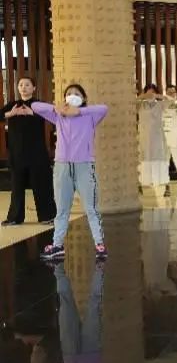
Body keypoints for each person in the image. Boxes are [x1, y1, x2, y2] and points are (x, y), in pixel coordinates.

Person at [33, 84, 108, 260]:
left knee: (91, 208)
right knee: (62, 210)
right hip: (62, 167)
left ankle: (99, 244)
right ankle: (57, 245)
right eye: (68, 94)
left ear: (83, 98)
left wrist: (79, 111)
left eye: (76, 93)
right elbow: (35, 106)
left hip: (84, 167)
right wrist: (57, 108)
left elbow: (104, 108)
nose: (72, 96)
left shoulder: (90, 116)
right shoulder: (58, 116)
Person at [0, 77, 55, 226]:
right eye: (21, 85)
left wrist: (33, 113)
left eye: (27, 85)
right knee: (17, 187)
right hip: (17, 153)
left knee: (41, 185)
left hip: (37, 153)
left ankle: (47, 216)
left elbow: (53, 115)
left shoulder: (38, 104)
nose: (23, 87)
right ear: (18, 88)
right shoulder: (12, 105)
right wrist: (10, 114)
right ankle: (15, 218)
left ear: (34, 88)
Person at [137, 84, 171, 192]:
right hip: (144, 138)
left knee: (160, 160)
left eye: (153, 91)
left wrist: (157, 96)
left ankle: (166, 186)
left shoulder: (160, 104)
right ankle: (141, 184)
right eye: (148, 91)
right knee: (143, 160)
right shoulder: (140, 105)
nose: (150, 94)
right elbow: (131, 103)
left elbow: (170, 101)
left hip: (157, 138)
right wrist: (142, 96)